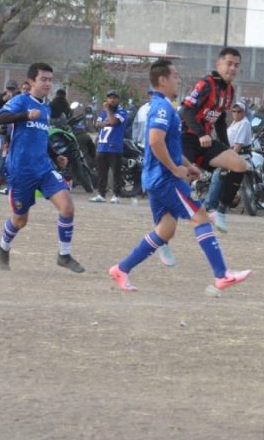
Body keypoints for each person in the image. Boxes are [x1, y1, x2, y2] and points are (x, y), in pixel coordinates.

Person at [108, 59, 251, 292]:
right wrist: (176, 170)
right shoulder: (162, 108)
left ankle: (121, 269)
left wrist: (187, 164)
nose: (178, 79)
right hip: (165, 178)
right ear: (162, 80)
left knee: (166, 230)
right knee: (200, 216)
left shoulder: (164, 105)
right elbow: (155, 141)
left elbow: (169, 145)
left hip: (158, 177)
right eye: (175, 76)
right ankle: (222, 274)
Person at [0, 62, 85, 273]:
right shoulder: (21, 101)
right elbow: (0, 118)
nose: (48, 83)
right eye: (43, 79)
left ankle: (64, 255)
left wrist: (55, 156)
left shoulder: (46, 107)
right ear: (32, 81)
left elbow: (41, 137)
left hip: (43, 168)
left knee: (67, 207)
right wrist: (25, 115)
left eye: (50, 80)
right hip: (20, 171)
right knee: (20, 220)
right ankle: (2, 247)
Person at [178, 46, 249, 233]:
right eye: (229, 64)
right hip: (186, 137)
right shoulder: (206, 84)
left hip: (205, 141)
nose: (232, 68)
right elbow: (185, 111)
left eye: (236, 65)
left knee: (240, 165)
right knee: (180, 178)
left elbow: (218, 120)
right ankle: (164, 229)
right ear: (219, 64)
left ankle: (219, 211)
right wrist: (201, 133)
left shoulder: (230, 91)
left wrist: (226, 148)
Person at [204, 101, 253, 211]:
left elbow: (238, 145)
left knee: (218, 173)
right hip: (229, 152)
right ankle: (207, 198)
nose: (236, 113)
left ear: (244, 112)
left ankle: (210, 204)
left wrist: (229, 159)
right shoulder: (235, 123)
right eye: (234, 111)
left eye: (239, 111)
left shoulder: (244, 123)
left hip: (240, 154)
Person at [89, 89, 128, 204]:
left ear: (118, 100)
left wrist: (107, 113)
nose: (111, 100)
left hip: (115, 147)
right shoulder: (103, 112)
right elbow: (97, 124)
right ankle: (101, 194)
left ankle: (116, 195)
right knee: (101, 173)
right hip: (102, 146)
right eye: (109, 97)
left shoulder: (122, 112)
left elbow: (113, 121)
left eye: (114, 98)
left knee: (116, 173)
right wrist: (107, 121)